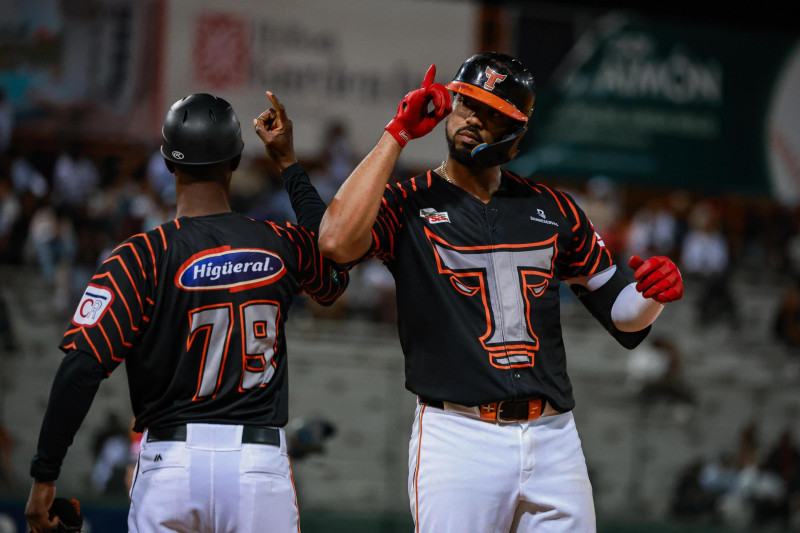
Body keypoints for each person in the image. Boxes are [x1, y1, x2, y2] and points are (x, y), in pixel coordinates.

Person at [317, 52, 684, 531]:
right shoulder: (410, 200)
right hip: (458, 435)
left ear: (516, 130)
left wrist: (651, 294)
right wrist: (397, 133)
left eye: (491, 111)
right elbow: (334, 240)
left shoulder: (552, 207)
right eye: (467, 101)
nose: (472, 116)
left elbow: (622, 316)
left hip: (553, 435)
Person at [24, 91, 348, 533]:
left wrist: (46, 473)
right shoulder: (279, 240)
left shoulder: (138, 257)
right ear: (235, 162)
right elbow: (333, 265)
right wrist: (289, 165)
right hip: (256, 466)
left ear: (169, 164)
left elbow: (80, 368)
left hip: (169, 466)